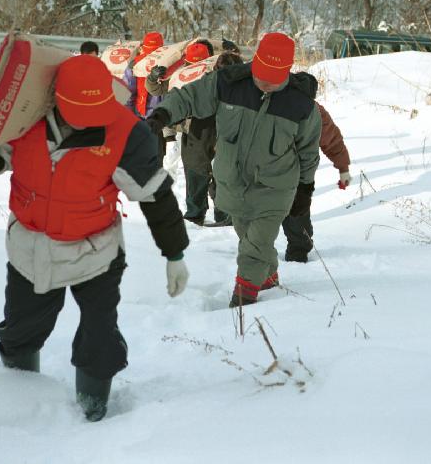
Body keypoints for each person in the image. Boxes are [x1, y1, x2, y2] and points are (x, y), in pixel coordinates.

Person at [0, 55, 190, 422]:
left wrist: (174, 253)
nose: (90, 119)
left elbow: (155, 195)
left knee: (99, 337)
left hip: (95, 251)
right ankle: (16, 403)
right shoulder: (25, 117)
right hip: (30, 250)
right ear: (58, 100)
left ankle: (93, 409)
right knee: (19, 331)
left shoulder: (128, 133)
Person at [147, 32, 321, 307]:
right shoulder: (228, 83)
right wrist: (162, 115)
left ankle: (244, 297)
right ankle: (268, 276)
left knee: (254, 245)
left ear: (287, 72)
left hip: (275, 187)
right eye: (261, 75)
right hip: (232, 182)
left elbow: (309, 151)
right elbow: (189, 97)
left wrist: (305, 189)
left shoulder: (300, 103)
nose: (265, 84)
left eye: (273, 79)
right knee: (250, 238)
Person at [146, 41, 233, 227]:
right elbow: (160, 91)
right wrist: (152, 78)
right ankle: (198, 213)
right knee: (197, 171)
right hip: (192, 128)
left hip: (217, 126)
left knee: (218, 171)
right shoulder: (182, 75)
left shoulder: (216, 69)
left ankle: (221, 213)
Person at [281, 98, 352, 263]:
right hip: (278, 172)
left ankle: (297, 254)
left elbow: (331, 139)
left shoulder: (309, 107)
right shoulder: (257, 98)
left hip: (297, 172)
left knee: (296, 211)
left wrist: (343, 168)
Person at [124, 31, 167, 158]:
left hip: (156, 120)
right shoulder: (134, 65)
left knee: (155, 158)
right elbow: (127, 95)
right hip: (141, 119)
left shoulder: (167, 65)